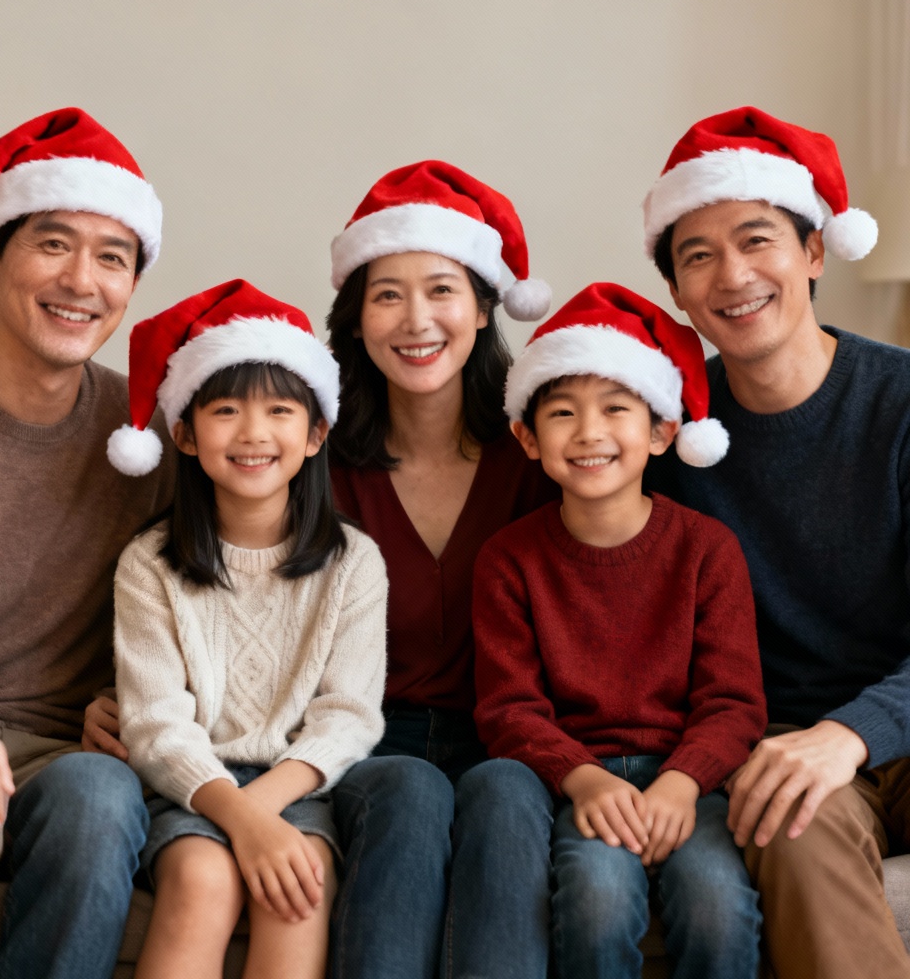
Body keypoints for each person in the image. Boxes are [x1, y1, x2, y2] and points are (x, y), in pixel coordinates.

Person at [0, 107, 172, 979]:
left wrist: (136, 697)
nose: (81, 280)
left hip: (60, 752)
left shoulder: (150, 438)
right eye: (52, 244)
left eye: (112, 257)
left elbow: (219, 601)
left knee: (102, 797)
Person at [643, 105, 910, 979]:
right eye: (698, 256)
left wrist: (856, 732)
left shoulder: (898, 403)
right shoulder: (668, 442)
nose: (733, 275)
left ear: (815, 252)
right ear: (679, 295)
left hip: (887, 718)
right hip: (782, 740)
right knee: (792, 822)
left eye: (758, 240)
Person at [473, 281, 766, 979]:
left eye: (616, 410)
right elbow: (509, 709)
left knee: (718, 904)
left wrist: (684, 783)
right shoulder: (508, 559)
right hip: (580, 780)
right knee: (597, 900)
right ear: (527, 436)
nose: (589, 433)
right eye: (564, 413)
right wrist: (582, 780)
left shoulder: (706, 549)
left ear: (663, 430)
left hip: (694, 783)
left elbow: (735, 701)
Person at [109, 279, 388, 979]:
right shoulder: (151, 563)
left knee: (297, 889)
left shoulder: (355, 563)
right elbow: (154, 724)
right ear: (185, 432)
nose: (254, 433)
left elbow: (347, 717)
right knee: (203, 879)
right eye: (226, 409)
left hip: (297, 787)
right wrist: (234, 813)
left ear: (316, 432)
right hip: (189, 785)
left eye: (280, 411)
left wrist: (260, 811)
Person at [325, 160, 557, 979]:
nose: (415, 319)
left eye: (442, 290)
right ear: (354, 318)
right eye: (386, 294)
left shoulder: (546, 448)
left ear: (486, 305)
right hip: (358, 744)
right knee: (411, 796)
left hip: (513, 742)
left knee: (505, 792)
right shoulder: (309, 456)